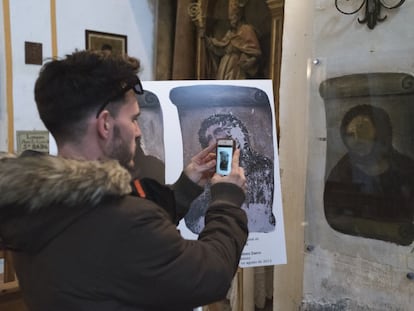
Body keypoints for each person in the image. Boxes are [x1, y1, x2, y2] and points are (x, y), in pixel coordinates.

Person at [0, 50, 248, 310]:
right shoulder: (125, 221)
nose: (138, 131)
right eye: (133, 119)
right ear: (105, 124)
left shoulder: (31, 201)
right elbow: (212, 275)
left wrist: (186, 186)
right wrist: (227, 200)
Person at [324, 104, 414, 245]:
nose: (357, 139)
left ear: (382, 132)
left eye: (363, 129)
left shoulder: (406, 169)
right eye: (350, 134)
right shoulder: (341, 174)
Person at [185, 113, 275, 234]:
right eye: (209, 138)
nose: (214, 140)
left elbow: (262, 218)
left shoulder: (263, 166)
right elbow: (193, 222)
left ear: (236, 131)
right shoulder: (211, 175)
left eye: (218, 132)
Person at [205, 0, 261, 80]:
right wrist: (211, 43)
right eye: (230, 18)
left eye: (233, 17)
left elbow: (255, 52)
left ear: (239, 15)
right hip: (225, 66)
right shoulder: (230, 33)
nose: (231, 20)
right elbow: (222, 49)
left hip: (236, 68)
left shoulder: (246, 30)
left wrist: (250, 61)